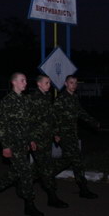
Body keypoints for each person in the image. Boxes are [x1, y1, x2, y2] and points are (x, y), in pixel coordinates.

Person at [0, 73, 44, 216]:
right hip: (13, 144)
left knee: (15, 173)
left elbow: (26, 124)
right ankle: (29, 205)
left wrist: (31, 140)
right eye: (22, 80)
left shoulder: (24, 100)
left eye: (26, 80)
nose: (25, 83)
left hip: (23, 144)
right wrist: (5, 146)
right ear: (14, 82)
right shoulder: (7, 101)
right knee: (26, 172)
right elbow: (0, 126)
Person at [53, 75, 100, 199]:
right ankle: (83, 189)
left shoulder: (74, 97)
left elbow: (80, 112)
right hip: (64, 135)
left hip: (73, 135)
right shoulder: (61, 99)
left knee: (71, 161)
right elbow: (54, 117)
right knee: (74, 160)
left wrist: (92, 121)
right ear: (66, 84)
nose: (74, 85)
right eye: (71, 82)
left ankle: (45, 174)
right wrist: (56, 133)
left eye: (75, 83)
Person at [28, 75, 69, 208]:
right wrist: (30, 139)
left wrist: (55, 133)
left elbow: (50, 117)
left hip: (46, 138)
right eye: (46, 83)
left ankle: (21, 181)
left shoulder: (47, 96)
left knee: (40, 167)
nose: (49, 85)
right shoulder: (32, 98)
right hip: (37, 140)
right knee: (46, 168)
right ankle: (52, 197)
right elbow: (28, 121)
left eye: (49, 83)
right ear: (39, 84)